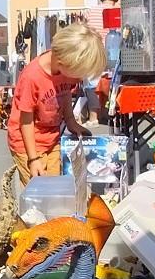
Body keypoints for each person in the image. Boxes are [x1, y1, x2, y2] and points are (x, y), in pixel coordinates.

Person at [7, 23, 106, 184]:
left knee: (55, 188)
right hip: (27, 144)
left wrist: (71, 121)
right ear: (62, 62)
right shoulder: (32, 78)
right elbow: (26, 120)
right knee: (39, 194)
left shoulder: (64, 71)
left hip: (52, 139)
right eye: (78, 74)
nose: (79, 80)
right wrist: (33, 159)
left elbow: (65, 93)